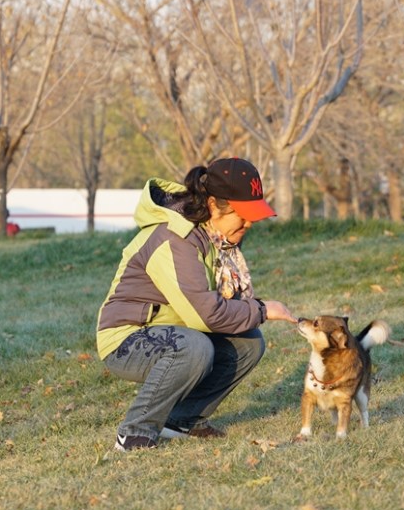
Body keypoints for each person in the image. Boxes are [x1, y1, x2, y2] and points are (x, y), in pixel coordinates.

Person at [96, 158, 297, 451]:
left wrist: (254, 313)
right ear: (215, 205)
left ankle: (181, 421)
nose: (251, 223)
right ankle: (135, 432)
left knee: (248, 344)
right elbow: (207, 314)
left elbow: (219, 306)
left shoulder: (217, 236)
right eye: (243, 214)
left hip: (177, 329)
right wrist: (263, 309)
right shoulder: (174, 238)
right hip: (126, 337)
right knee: (195, 348)